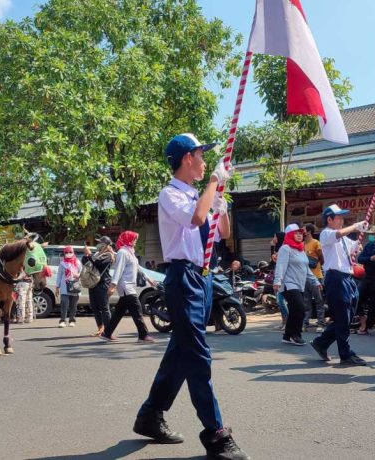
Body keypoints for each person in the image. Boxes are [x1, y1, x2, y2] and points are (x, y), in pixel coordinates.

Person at [133, 133, 249, 459]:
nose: (204, 161)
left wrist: (221, 205)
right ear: (188, 158)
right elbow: (195, 219)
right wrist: (214, 182)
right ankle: (216, 434)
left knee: (181, 352)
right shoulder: (170, 194)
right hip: (183, 279)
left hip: (203, 278)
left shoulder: (201, 195)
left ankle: (150, 415)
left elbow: (221, 233)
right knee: (197, 356)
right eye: (201, 155)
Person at [310, 204, 368, 366]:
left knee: (347, 317)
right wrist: (356, 226)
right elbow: (338, 233)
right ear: (329, 219)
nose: (342, 220)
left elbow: (352, 249)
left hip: (347, 278)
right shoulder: (326, 234)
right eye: (339, 217)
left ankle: (321, 343)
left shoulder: (344, 238)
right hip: (335, 278)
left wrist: (358, 245)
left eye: (343, 218)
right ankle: (345, 353)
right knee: (342, 317)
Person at [100, 231, 155, 343]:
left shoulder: (130, 252)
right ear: (128, 239)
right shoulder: (123, 252)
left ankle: (107, 333)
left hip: (130, 285)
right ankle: (143, 335)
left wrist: (148, 278)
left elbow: (138, 267)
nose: (135, 241)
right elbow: (118, 269)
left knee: (119, 311)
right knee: (137, 309)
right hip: (125, 286)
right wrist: (113, 285)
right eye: (134, 239)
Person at [274, 224, 322, 345]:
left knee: (294, 309)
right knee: (300, 308)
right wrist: (277, 281)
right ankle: (296, 335)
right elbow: (281, 265)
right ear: (290, 235)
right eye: (296, 233)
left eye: (301, 233)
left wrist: (315, 281)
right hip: (288, 285)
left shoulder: (301, 249)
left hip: (299, 285)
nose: (300, 235)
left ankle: (287, 336)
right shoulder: (285, 248)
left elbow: (306, 269)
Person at [83, 236, 115, 337]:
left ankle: (108, 330)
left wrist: (89, 254)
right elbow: (85, 262)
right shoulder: (97, 254)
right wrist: (86, 255)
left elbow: (97, 263)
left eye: (100, 243)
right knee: (95, 307)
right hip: (93, 283)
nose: (98, 245)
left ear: (105, 245)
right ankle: (100, 328)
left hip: (103, 283)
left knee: (104, 308)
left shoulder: (109, 255)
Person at [303, 224, 326, 332]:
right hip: (304, 277)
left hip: (316, 276)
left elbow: (322, 258)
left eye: (303, 230)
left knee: (319, 301)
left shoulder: (315, 243)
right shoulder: (302, 244)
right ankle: (305, 323)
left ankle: (320, 323)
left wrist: (317, 266)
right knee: (306, 302)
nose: (302, 232)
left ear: (308, 232)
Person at [56, 246, 82, 327]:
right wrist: (57, 287)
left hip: (75, 286)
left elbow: (82, 272)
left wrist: (78, 275)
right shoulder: (62, 263)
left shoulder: (78, 262)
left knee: (73, 304)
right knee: (64, 303)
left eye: (70, 252)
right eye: (66, 252)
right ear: (64, 253)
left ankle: (72, 320)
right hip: (64, 286)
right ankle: (62, 321)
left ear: (73, 252)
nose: (68, 254)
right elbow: (59, 275)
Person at [271, 231, 289, 329]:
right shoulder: (277, 248)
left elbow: (280, 263)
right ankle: (284, 321)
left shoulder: (284, 248)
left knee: (281, 300)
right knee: (279, 301)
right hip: (277, 277)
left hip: (283, 278)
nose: (273, 238)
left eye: (274, 236)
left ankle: (288, 322)